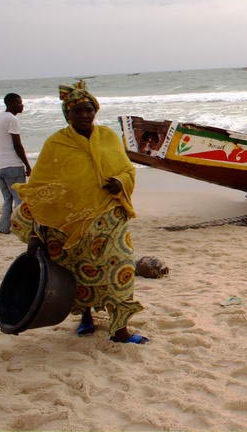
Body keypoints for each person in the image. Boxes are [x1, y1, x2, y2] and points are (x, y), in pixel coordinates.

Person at [11, 80, 148, 344]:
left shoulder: (108, 137)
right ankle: (86, 317)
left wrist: (120, 182)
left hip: (110, 218)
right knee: (79, 273)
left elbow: (127, 169)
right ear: (68, 114)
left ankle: (120, 330)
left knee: (122, 268)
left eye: (89, 110)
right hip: (72, 226)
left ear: (95, 111)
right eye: (78, 111)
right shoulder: (56, 144)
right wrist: (37, 232)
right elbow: (41, 188)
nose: (85, 115)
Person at [0, 93, 32, 234]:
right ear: (11, 103)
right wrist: (27, 165)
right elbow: (17, 145)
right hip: (12, 165)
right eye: (19, 102)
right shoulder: (12, 119)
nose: (22, 105)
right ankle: (20, 229)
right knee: (19, 198)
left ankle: (4, 228)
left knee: (7, 198)